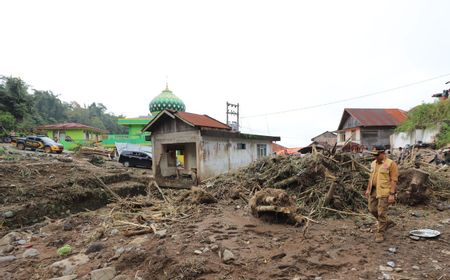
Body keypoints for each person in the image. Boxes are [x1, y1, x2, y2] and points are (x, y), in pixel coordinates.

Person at [365, 145, 399, 242]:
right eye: (374, 155)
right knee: (372, 209)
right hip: (374, 190)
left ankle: (380, 233)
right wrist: (368, 189)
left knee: (381, 212)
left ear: (383, 153)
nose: (375, 157)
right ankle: (386, 222)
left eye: (377, 155)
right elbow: (371, 178)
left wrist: (392, 194)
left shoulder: (391, 164)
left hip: (385, 191)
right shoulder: (373, 163)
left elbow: (394, 180)